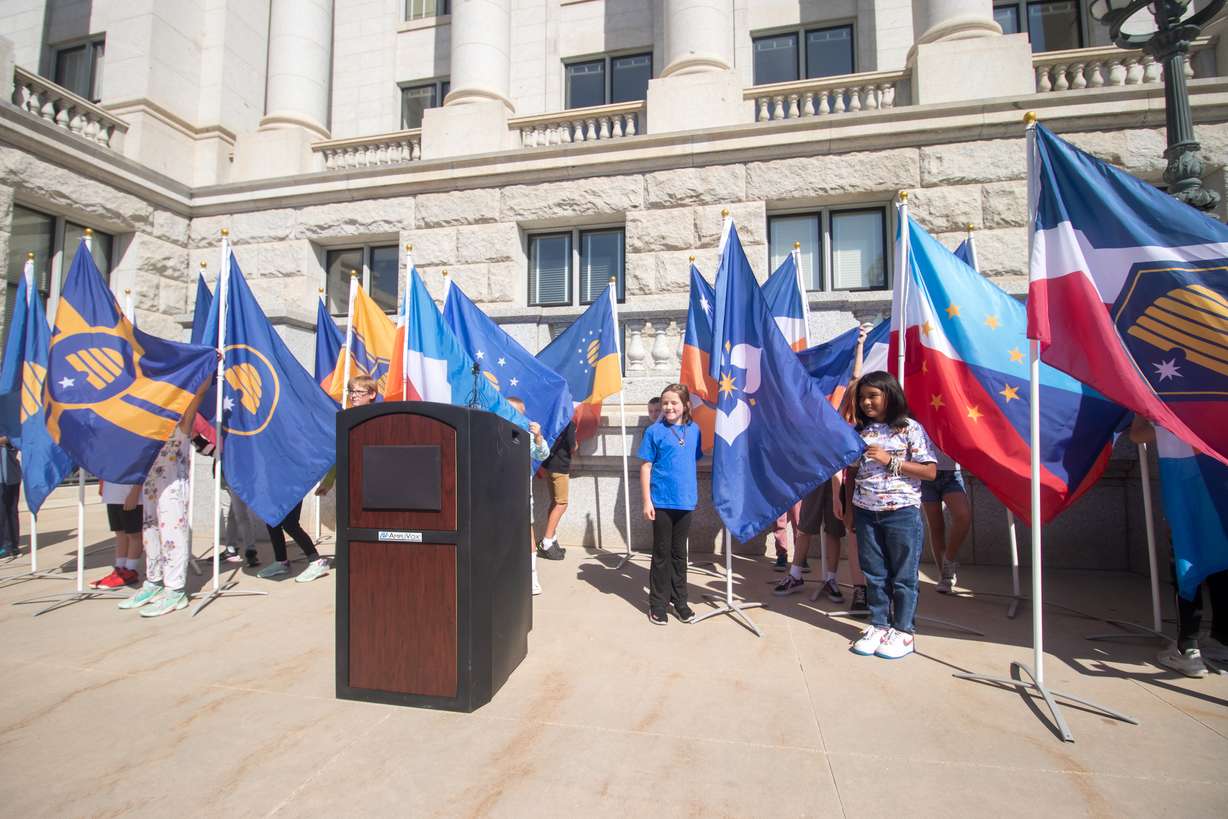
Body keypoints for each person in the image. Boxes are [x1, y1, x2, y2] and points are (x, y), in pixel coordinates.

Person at [846, 371, 937, 659]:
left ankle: (904, 630)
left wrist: (890, 461)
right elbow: (851, 473)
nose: (866, 402)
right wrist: (849, 509)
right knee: (874, 572)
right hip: (865, 511)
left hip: (901, 512)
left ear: (890, 395)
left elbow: (930, 471)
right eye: (862, 398)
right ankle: (879, 624)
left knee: (903, 574)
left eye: (873, 396)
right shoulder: (861, 432)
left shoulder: (909, 428)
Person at [1130, 416, 1228, 678]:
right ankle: (1221, 639)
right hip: (1218, 490)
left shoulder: (1169, 410)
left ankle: (1188, 647)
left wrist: (1142, 411)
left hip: (1187, 492)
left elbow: (1137, 435)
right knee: (1220, 560)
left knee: (1186, 561)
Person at [118, 377, 213, 617]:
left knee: (173, 536)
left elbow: (198, 396)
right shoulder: (150, 430)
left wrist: (205, 372)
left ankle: (175, 590)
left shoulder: (181, 425)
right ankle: (154, 582)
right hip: (151, 488)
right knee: (151, 536)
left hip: (172, 489)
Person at [638, 383, 702, 625]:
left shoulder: (694, 430)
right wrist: (647, 501)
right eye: (665, 403)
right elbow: (645, 466)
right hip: (661, 501)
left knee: (679, 554)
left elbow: (690, 460)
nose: (668, 407)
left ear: (686, 405)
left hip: (685, 502)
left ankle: (680, 601)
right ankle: (658, 604)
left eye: (674, 402)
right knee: (661, 553)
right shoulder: (654, 432)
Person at [507, 397, 549, 596]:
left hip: (522, 492)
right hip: (497, 493)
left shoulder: (527, 435)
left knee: (526, 532)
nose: (514, 416)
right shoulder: (493, 430)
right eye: (510, 410)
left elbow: (542, 455)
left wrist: (538, 436)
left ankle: (532, 576)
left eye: (518, 412)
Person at [922, 446, 970, 594]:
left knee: (963, 515)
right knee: (936, 526)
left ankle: (948, 560)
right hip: (925, 472)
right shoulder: (918, 422)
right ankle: (944, 576)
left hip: (951, 472)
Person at [90, 482, 142, 589]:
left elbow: (140, 469)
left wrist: (135, 491)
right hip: (112, 494)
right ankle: (119, 568)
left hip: (129, 492)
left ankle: (130, 570)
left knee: (134, 534)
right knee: (120, 532)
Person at [537, 419, 575, 561]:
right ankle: (546, 542)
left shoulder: (551, 419)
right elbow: (573, 446)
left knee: (554, 502)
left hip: (549, 465)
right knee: (561, 503)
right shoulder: (568, 423)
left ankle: (552, 538)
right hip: (561, 468)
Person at [0, 435, 20, 559]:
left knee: (10, 511)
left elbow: (15, 438)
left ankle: (11, 545)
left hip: (11, 476)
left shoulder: (10, 423)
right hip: (6, 476)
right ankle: (7, 544)